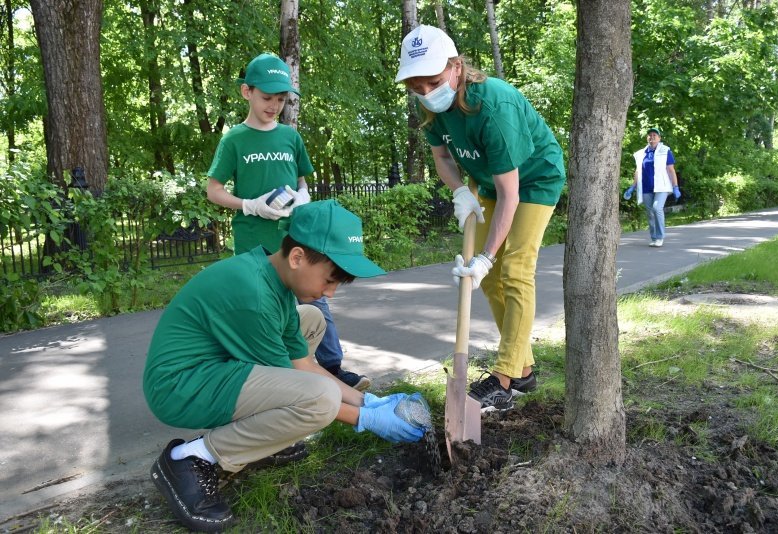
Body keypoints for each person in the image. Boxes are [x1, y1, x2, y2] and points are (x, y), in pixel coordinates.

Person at [143, 200, 424, 532]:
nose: (331, 293)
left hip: (212, 369)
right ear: (298, 257)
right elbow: (305, 389)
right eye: (330, 280)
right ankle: (192, 458)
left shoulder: (274, 281)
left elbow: (301, 363)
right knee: (319, 400)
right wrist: (368, 420)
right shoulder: (257, 298)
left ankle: (260, 440)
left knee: (312, 320)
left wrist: (369, 401)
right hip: (180, 387)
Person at [394, 25, 566, 411]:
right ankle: (523, 369)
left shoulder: (495, 107)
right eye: (416, 88)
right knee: (483, 278)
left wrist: (490, 254)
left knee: (514, 269)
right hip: (489, 183)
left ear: (456, 67)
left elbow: (512, 194)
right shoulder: (435, 108)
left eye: (433, 83)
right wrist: (459, 191)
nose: (426, 94)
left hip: (535, 181)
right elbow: (441, 158)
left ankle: (504, 379)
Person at [206, 53, 370, 391]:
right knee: (261, 309)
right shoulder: (234, 139)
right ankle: (265, 378)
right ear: (246, 93)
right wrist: (249, 205)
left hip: (295, 239)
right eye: (267, 97)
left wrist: (303, 197)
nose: (274, 105)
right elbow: (213, 191)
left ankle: (332, 369)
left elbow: (302, 182)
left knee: (314, 299)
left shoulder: (290, 138)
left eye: (281, 99)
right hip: (254, 243)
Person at [623, 128, 681, 247]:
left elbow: (671, 170)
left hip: (661, 187)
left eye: (655, 135)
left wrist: (675, 187)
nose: (652, 137)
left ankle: (660, 237)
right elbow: (638, 171)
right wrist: (632, 187)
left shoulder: (665, 151)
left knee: (657, 208)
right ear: (647, 138)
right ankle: (654, 238)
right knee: (650, 213)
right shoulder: (641, 154)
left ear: (659, 138)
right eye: (650, 135)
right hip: (646, 188)